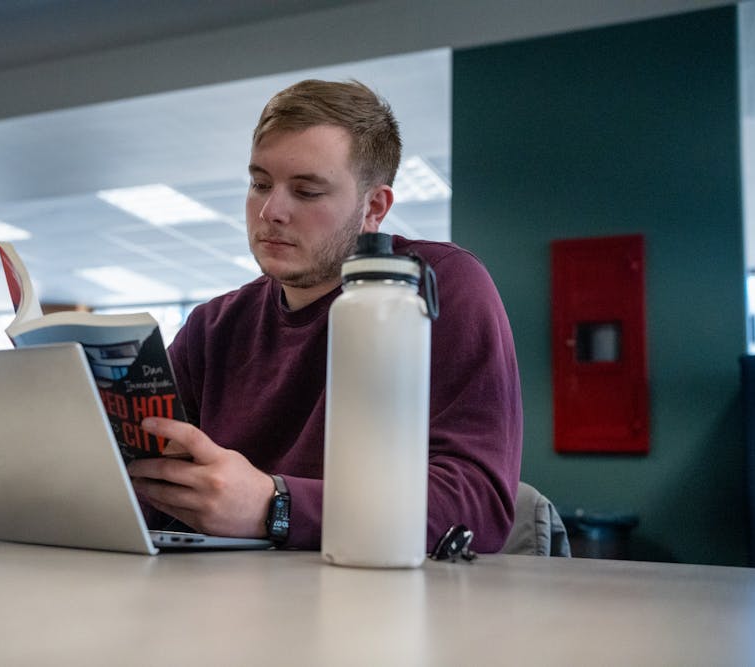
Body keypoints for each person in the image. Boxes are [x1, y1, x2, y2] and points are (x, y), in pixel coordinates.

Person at [128, 79, 522, 553]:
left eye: (307, 191)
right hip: (228, 604)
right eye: (259, 183)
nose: (271, 211)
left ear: (373, 207)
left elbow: (477, 506)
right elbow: (148, 491)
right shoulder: (212, 328)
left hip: (380, 603)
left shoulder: (432, 289)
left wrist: (274, 507)